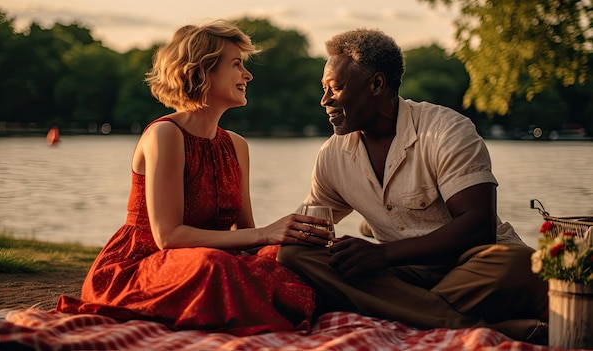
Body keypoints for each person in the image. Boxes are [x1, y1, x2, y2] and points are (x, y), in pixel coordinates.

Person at [56, 20, 334, 336]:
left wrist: (289, 240)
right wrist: (264, 235)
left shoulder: (237, 146)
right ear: (202, 71)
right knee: (214, 266)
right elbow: (168, 237)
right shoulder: (166, 134)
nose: (248, 74)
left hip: (212, 259)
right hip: (142, 266)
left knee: (295, 257)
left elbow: (246, 234)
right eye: (236, 64)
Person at [277, 28, 549, 344]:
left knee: (515, 264)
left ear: (376, 84)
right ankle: (475, 326)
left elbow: (478, 226)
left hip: (471, 267)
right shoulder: (332, 157)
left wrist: (383, 255)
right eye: (323, 89)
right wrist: (252, 244)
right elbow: (308, 229)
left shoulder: (446, 130)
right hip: (403, 277)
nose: (324, 100)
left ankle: (403, 309)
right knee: (295, 254)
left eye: (335, 89)